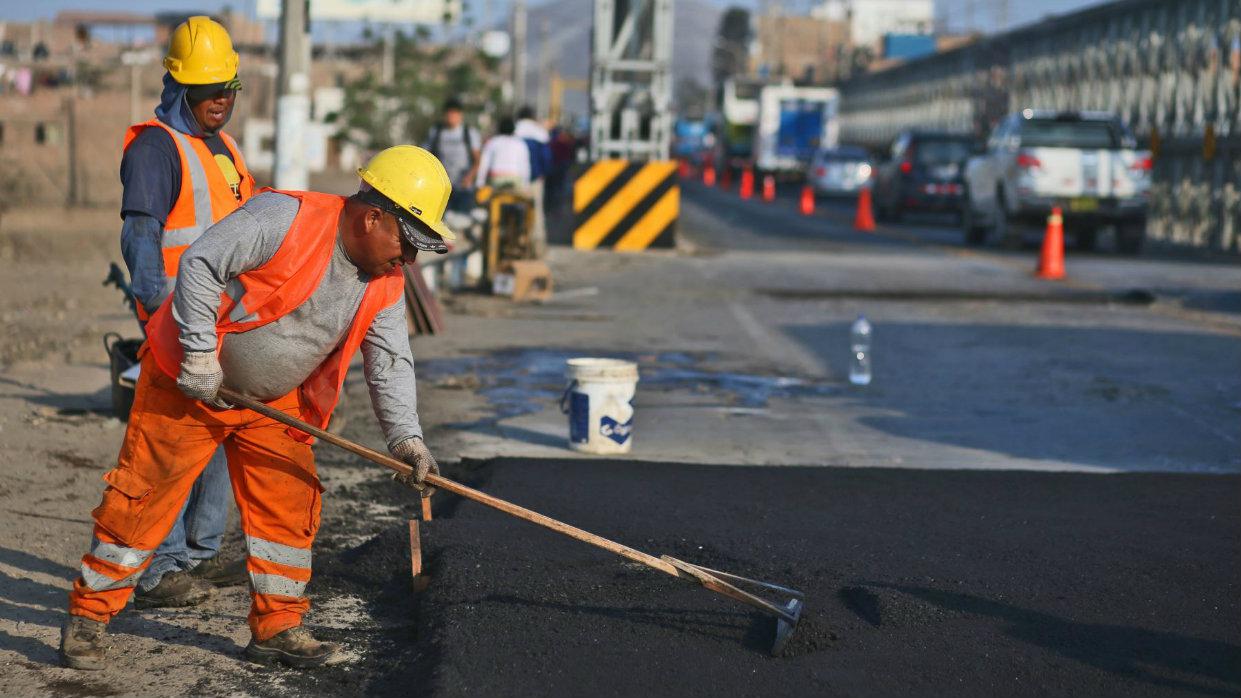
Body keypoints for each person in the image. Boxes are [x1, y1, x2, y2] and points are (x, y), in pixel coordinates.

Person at [60, 145, 452, 670]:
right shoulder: (285, 218)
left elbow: (389, 360)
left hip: (271, 404)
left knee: (288, 508)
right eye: (408, 243)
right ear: (373, 216)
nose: (410, 258)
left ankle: (278, 628)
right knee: (142, 500)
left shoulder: (386, 281)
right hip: (189, 381)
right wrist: (200, 355)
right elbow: (200, 263)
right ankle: (88, 617)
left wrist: (408, 439)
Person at [117, 15, 251, 610]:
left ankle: (196, 554)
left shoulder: (221, 148)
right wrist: (155, 319)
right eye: (208, 90)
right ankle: (159, 567)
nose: (220, 100)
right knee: (171, 448)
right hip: (176, 322)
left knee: (218, 437)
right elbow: (141, 241)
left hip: (225, 322)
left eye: (228, 88)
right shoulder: (156, 147)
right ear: (180, 86)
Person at [423, 97, 481, 213]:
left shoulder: (469, 133)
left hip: (463, 189)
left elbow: (477, 160)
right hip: (441, 189)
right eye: (448, 113)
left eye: (454, 113)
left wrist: (469, 178)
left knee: (462, 222)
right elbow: (425, 155)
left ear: (460, 115)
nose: (451, 117)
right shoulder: (436, 132)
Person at [515, 106, 552, 256]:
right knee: (536, 213)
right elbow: (547, 158)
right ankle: (537, 250)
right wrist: (544, 173)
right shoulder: (540, 133)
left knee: (517, 212)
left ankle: (518, 245)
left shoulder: (514, 130)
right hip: (535, 179)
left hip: (517, 180)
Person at [476, 116, 531, 189]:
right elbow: (525, 166)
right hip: (515, 179)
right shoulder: (520, 144)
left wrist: (479, 183)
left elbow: (484, 164)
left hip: (496, 179)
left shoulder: (492, 142)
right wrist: (526, 185)